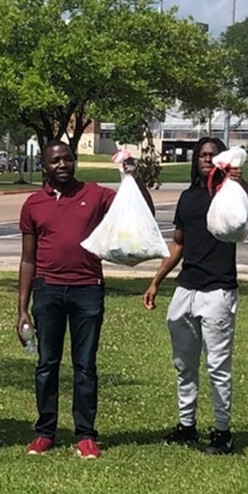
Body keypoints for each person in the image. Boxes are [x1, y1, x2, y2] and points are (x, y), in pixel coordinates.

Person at [16, 140, 154, 458]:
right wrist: (22, 309)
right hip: (47, 289)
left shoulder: (95, 195)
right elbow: (27, 259)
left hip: (87, 289)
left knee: (85, 366)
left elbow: (140, 209)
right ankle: (44, 432)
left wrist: (134, 178)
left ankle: (86, 435)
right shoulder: (34, 204)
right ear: (44, 167)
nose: (62, 165)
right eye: (55, 161)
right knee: (46, 364)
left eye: (67, 159)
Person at [143, 137, 248, 455]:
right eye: (203, 154)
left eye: (214, 155)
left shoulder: (230, 193)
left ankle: (222, 431)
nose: (207, 159)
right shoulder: (188, 197)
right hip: (186, 288)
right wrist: (157, 281)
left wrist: (238, 178)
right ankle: (187, 425)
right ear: (195, 160)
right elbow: (178, 244)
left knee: (217, 366)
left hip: (219, 289)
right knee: (184, 363)